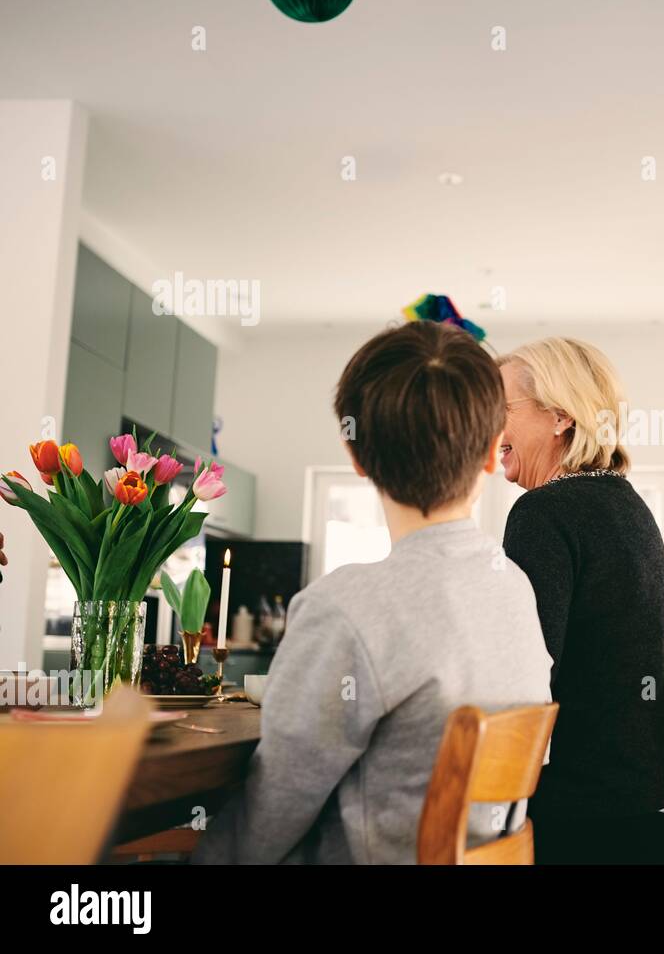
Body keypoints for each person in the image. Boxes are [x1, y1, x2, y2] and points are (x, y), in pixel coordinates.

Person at [193, 321, 552, 863]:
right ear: (489, 455)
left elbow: (269, 820)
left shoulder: (347, 607)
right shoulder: (515, 590)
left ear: (355, 454)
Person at [498, 338, 664, 864]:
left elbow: (524, 675)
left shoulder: (543, 513)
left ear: (560, 416)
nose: (491, 427)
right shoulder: (626, 503)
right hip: (649, 800)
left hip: (589, 815)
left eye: (502, 408)